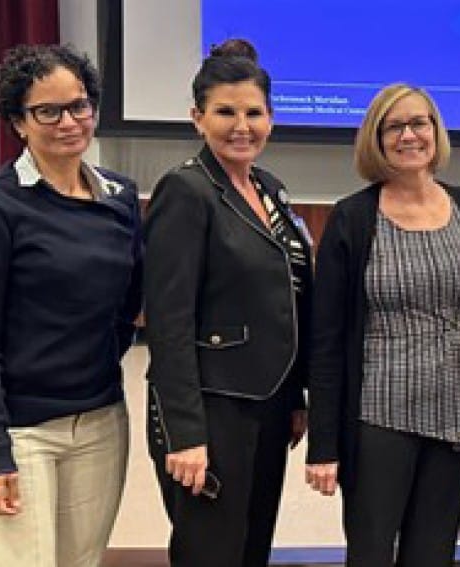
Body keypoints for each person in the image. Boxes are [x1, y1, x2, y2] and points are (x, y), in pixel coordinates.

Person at [0, 44, 142, 567]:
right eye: (47, 111)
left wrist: (99, 361)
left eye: (79, 105)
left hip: (100, 424)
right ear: (18, 122)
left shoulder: (119, 198)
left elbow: (126, 308)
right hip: (20, 432)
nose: (69, 122)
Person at [304, 83, 460, 566]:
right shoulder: (353, 218)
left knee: (432, 555)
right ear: (377, 138)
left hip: (454, 411)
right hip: (378, 418)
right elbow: (324, 341)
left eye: (419, 123)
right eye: (395, 126)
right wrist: (323, 445)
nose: (409, 135)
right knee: (370, 554)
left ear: (436, 131)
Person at [142, 39, 312, 567]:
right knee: (211, 553)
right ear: (197, 118)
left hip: (269, 404)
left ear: (271, 118)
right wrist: (186, 434)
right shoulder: (186, 191)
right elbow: (168, 324)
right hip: (211, 411)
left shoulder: (269, 188)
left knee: (251, 548)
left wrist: (296, 397)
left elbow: (288, 297)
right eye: (225, 112)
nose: (242, 125)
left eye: (254, 112)